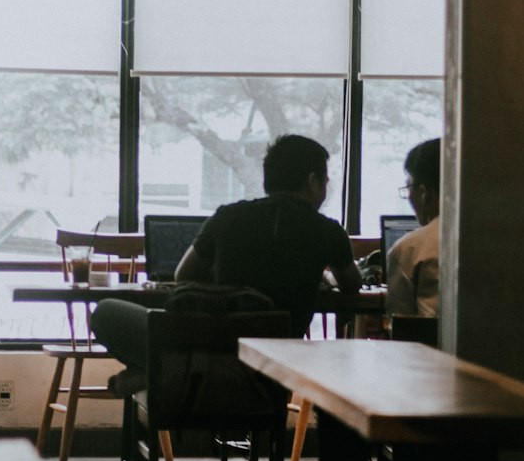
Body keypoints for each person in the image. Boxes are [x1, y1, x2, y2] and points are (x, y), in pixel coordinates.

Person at [92, 134, 361, 376]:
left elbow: (183, 275)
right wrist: (325, 275)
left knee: (105, 311)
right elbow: (352, 283)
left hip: (206, 349)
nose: (325, 191)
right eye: (325, 183)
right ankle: (165, 375)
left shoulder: (228, 216)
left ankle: (161, 375)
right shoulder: (328, 231)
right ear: (312, 182)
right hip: (273, 365)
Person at [386, 138, 440, 318]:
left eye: (409, 186)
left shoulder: (410, 248)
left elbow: (400, 324)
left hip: (428, 345)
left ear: (425, 193)